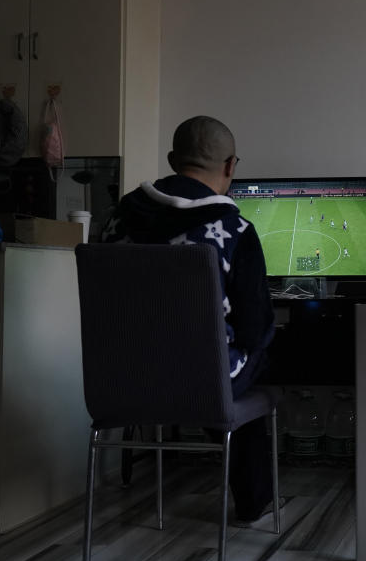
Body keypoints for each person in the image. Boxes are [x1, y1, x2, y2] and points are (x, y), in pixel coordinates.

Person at [102, 116, 277, 526]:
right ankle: (254, 501)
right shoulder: (236, 228)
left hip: (119, 381)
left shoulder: (116, 218)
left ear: (171, 160)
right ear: (231, 166)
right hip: (201, 381)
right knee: (256, 352)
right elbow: (254, 329)